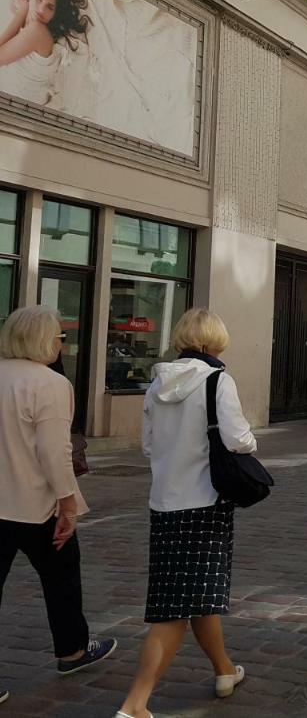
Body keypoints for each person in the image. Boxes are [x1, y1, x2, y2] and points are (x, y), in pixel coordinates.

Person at [116, 308, 256, 718]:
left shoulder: (156, 384)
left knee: (198, 596)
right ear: (216, 341)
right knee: (174, 610)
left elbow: (147, 446)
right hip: (205, 503)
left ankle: (224, 669)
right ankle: (134, 706)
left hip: (164, 503)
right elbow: (238, 438)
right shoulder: (217, 380)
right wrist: (248, 442)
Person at [0, 306, 117, 706]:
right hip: (36, 506)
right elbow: (54, 451)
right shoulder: (48, 383)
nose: (61, 344)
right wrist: (68, 504)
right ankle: (71, 650)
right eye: (58, 337)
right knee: (62, 579)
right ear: (43, 339)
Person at [0, 0, 91, 104]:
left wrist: (23, 10)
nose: (41, 9)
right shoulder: (29, 11)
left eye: (50, 7)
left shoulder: (37, 31)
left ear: (53, 15)